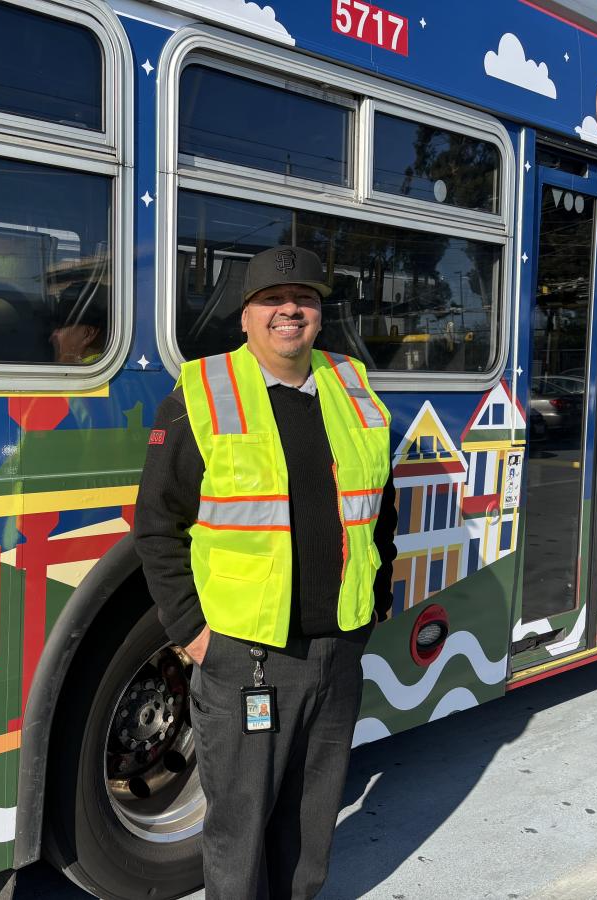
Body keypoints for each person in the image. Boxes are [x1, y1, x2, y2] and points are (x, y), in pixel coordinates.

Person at [133, 245, 397, 899]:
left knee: (311, 830)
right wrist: (194, 632)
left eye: (304, 298)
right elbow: (156, 526)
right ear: (246, 318)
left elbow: (379, 507)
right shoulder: (200, 394)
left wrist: (375, 604)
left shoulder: (350, 385)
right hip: (248, 659)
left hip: (336, 655)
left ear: (319, 314)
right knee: (240, 833)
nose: (290, 310)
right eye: (273, 301)